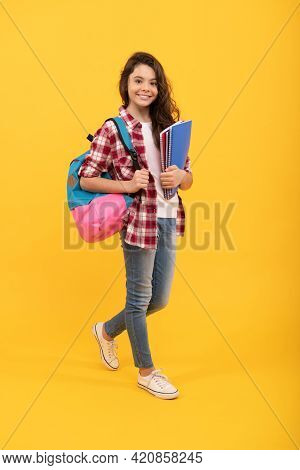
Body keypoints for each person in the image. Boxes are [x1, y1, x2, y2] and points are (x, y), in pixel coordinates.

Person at [78, 51, 193, 399]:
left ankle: (107, 331)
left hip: (169, 216)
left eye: (152, 82)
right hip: (138, 221)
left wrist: (182, 175)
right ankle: (147, 371)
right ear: (126, 85)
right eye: (138, 81)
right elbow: (86, 179)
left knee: (158, 299)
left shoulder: (166, 127)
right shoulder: (114, 129)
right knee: (139, 297)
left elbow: (189, 178)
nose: (145, 88)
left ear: (159, 88)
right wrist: (128, 184)